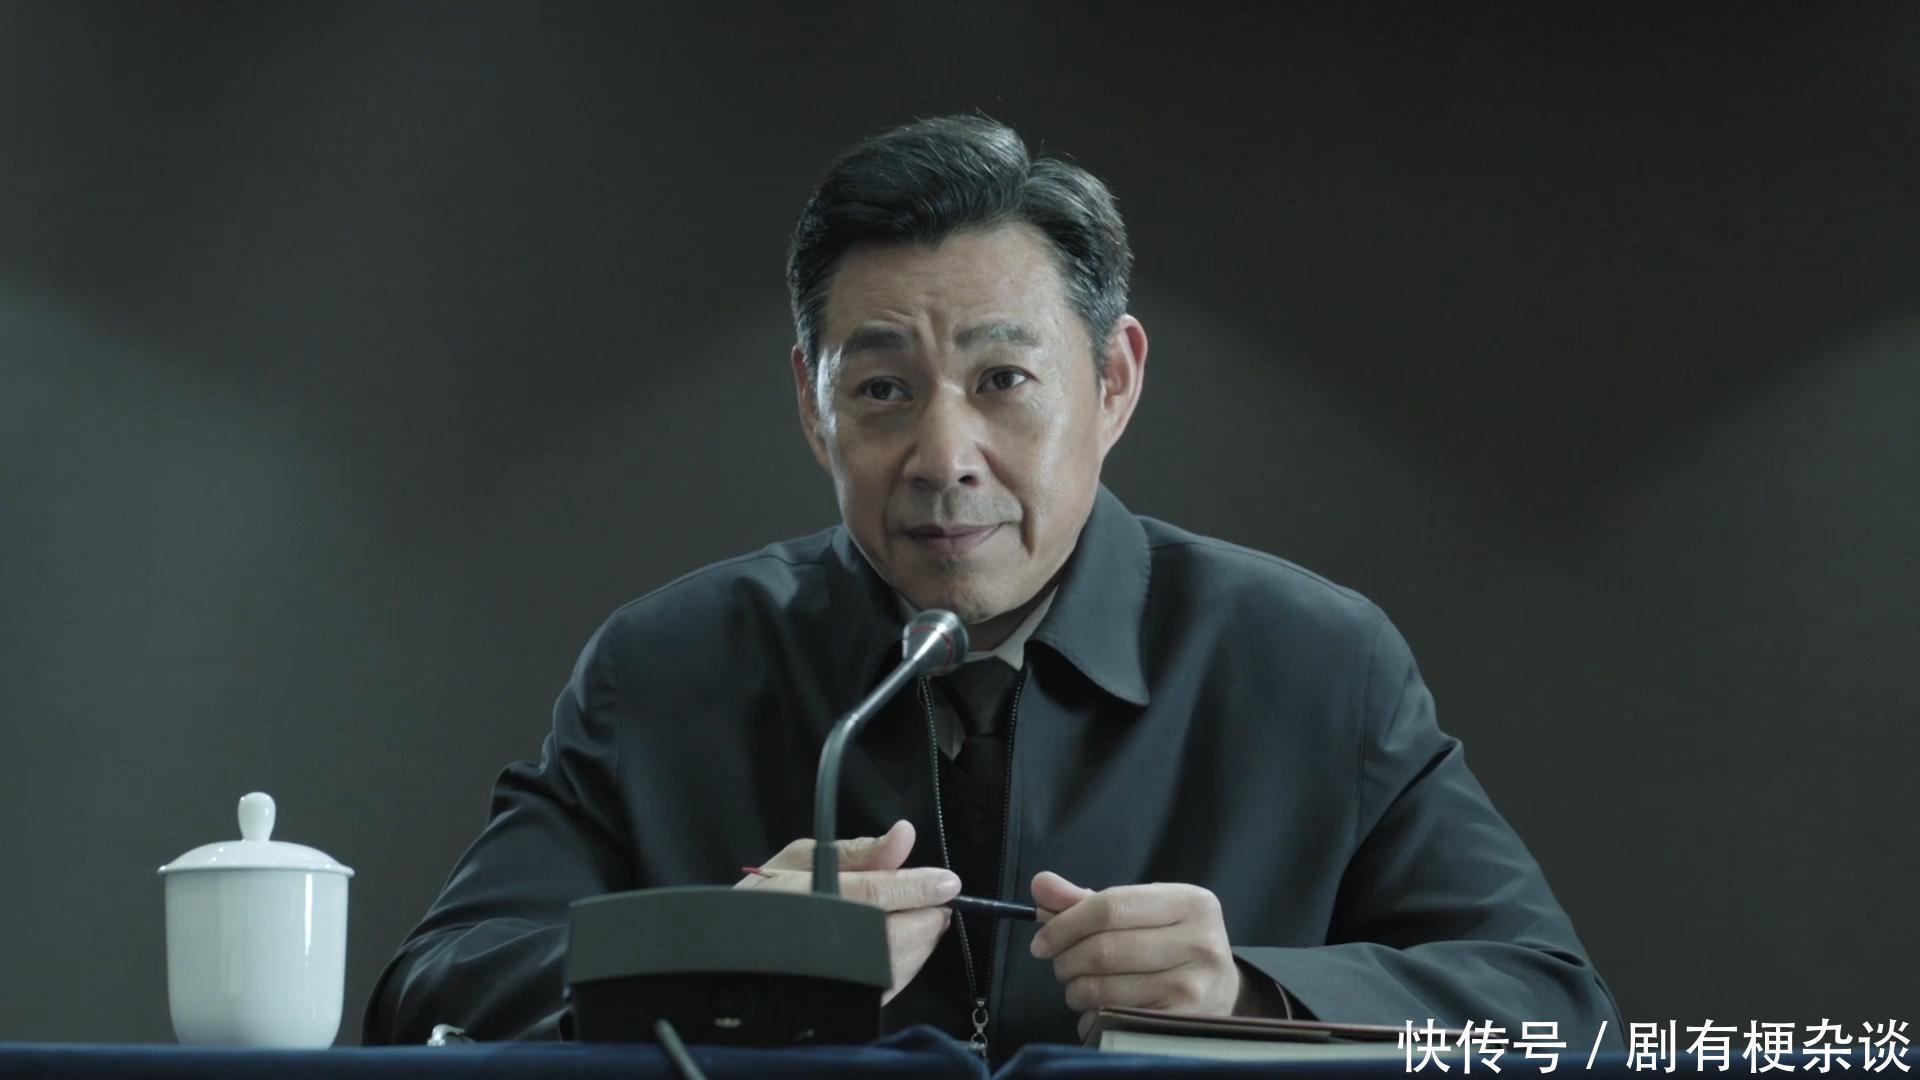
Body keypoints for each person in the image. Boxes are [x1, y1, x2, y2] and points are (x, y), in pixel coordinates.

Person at [364, 115, 1624, 1061]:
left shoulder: (1312, 661)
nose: (943, 456)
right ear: (812, 407)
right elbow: (428, 991)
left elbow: (1563, 1015)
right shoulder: (667, 667)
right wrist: (714, 960)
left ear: (1114, 383)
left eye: (1003, 381)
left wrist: (1255, 996)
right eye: (881, 391)